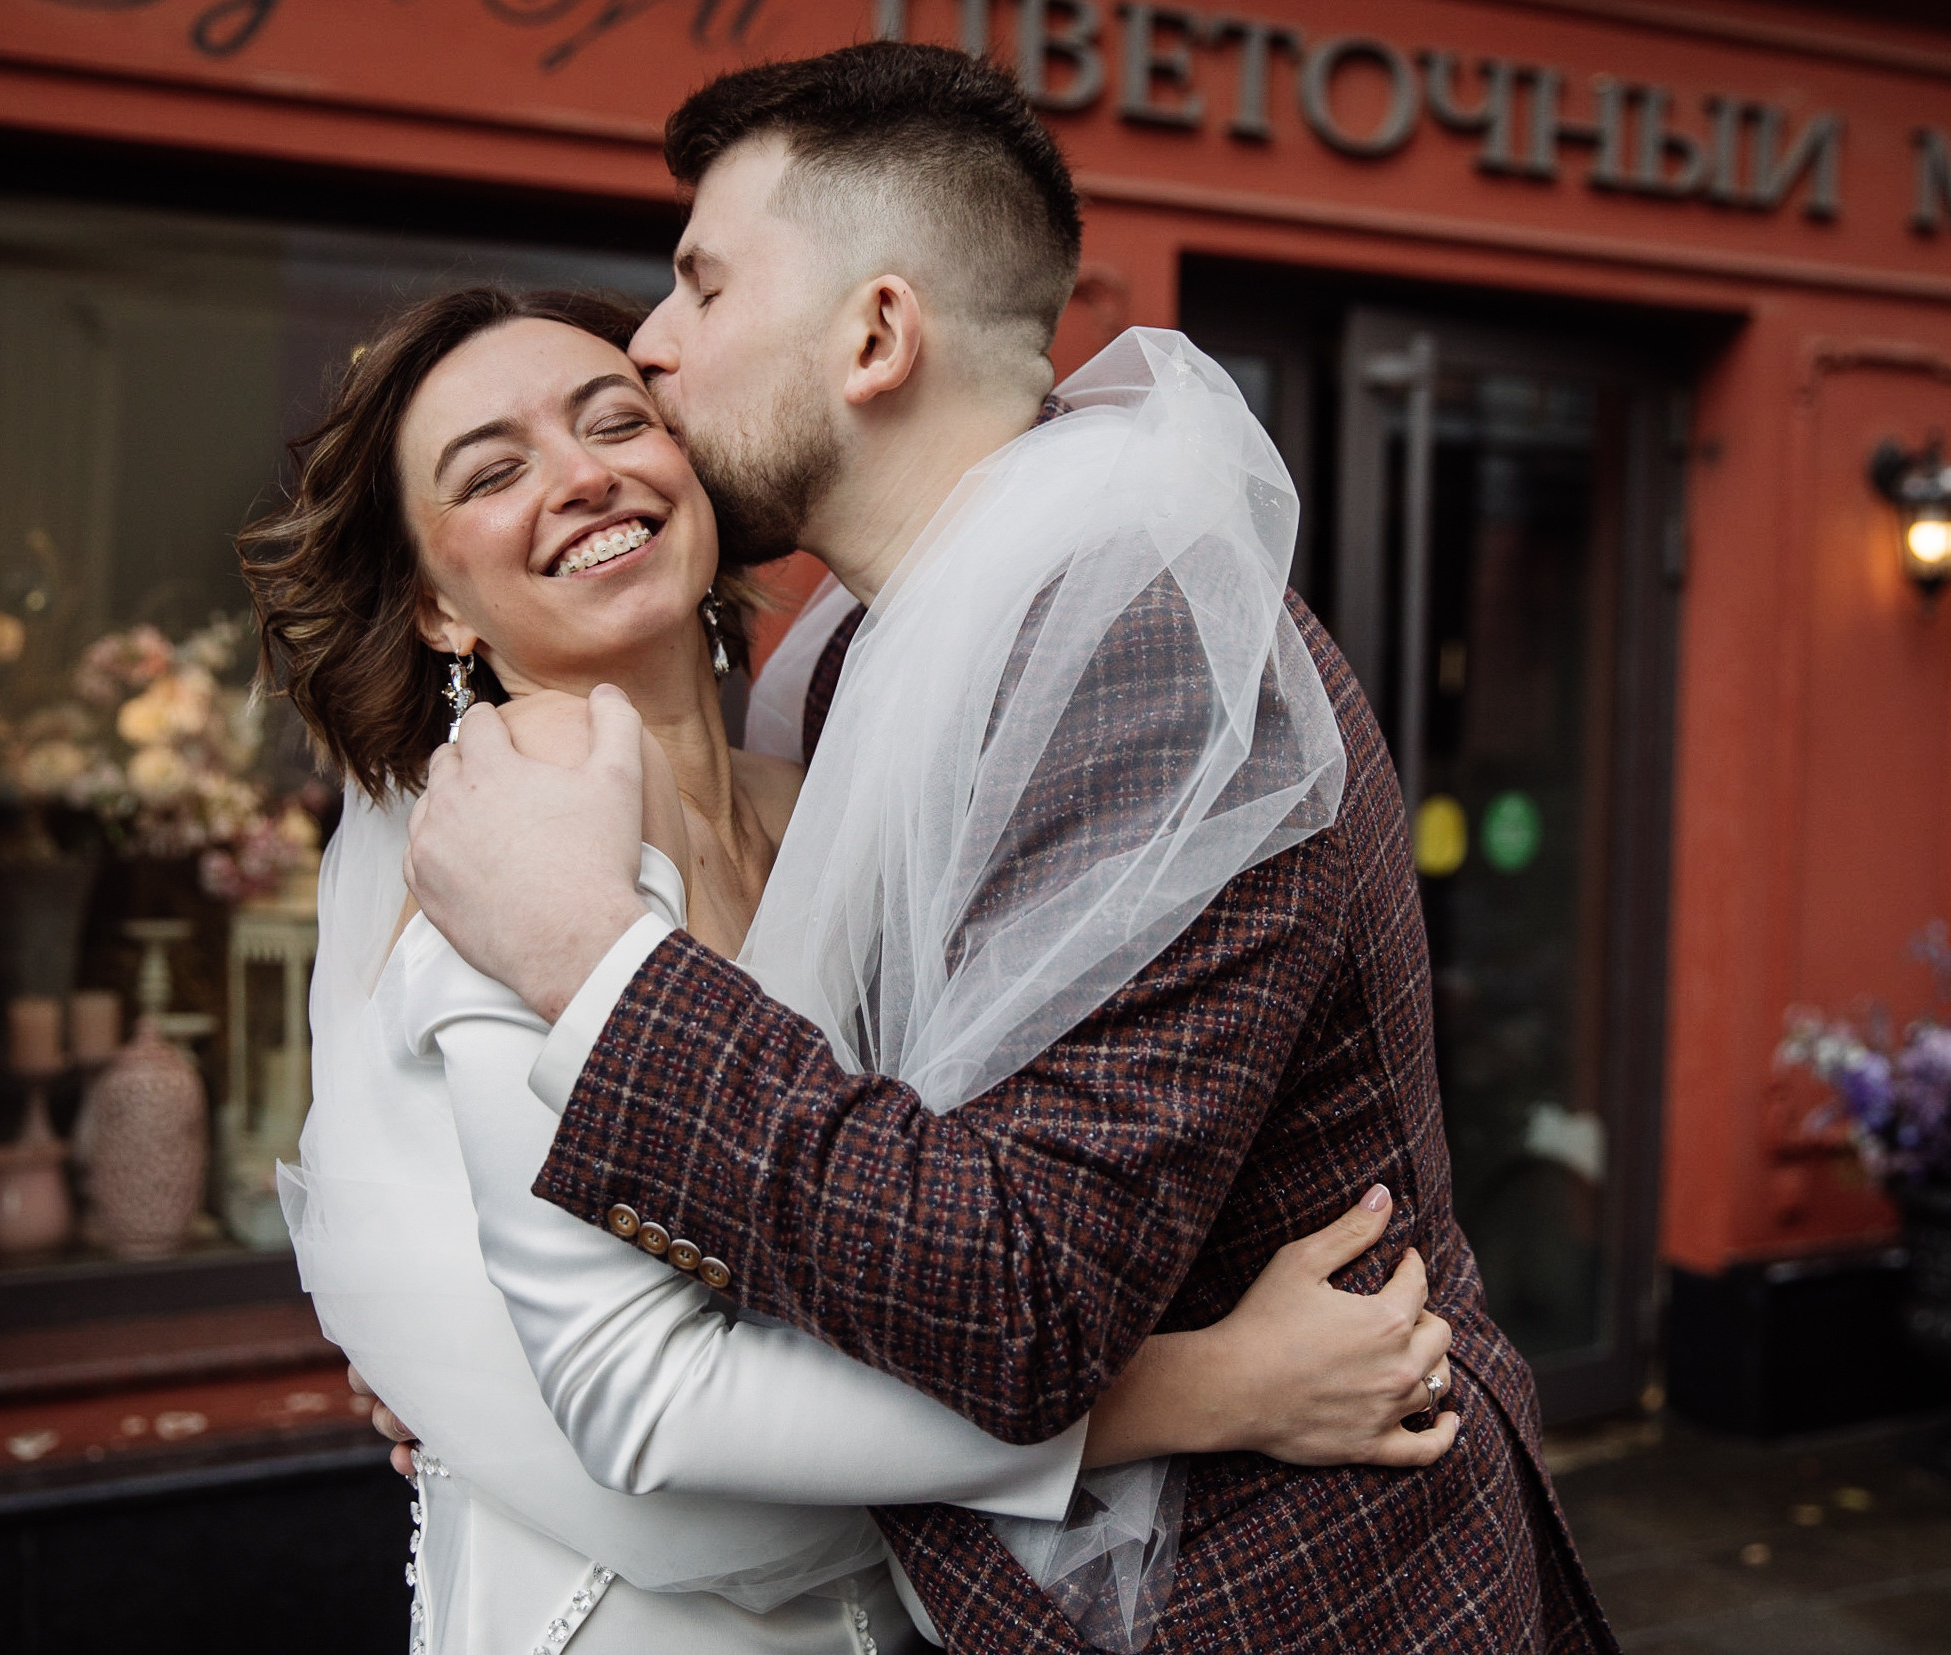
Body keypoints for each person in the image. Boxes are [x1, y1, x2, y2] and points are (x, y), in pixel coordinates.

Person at [406, 41, 1617, 1655]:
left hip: (1282, 1596)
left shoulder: (1142, 649)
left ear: (875, 334)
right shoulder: (840, 660)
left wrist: (589, 968)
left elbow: (1018, 1299)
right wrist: (462, 1370)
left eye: (700, 286)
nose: (653, 342)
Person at [240, 284, 1463, 1655]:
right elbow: (641, 1400)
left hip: (891, 1603)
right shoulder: (513, 848)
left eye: (616, 421)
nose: (583, 477)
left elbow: (916, 1199)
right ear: (436, 610)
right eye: (495, 471)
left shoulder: (817, 783)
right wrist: (1211, 1391)